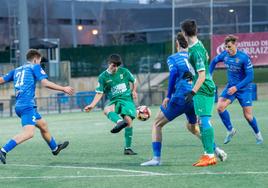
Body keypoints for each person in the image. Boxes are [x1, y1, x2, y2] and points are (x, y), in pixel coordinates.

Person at [140, 32, 227, 166]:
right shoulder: (194, 53)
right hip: (195, 95)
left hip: (181, 97)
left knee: (157, 124)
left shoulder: (173, 58)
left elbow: (174, 74)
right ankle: (215, 149)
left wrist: (168, 96)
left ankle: (156, 159)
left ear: (177, 44)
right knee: (192, 127)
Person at [0, 49, 74, 164]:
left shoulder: (17, 70)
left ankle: (55, 148)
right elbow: (45, 83)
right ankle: (3, 150)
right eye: (39, 61)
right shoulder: (35, 67)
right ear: (35, 59)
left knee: (43, 125)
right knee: (29, 133)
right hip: (27, 105)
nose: (40, 63)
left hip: (20, 105)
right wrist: (63, 88)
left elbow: (1, 80)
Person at [209, 35, 263, 144]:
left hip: (244, 88)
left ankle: (258, 135)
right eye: (226, 47)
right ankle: (230, 130)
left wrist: (237, 87)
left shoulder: (243, 57)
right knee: (220, 108)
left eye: (229, 47)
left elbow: (250, 77)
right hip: (231, 87)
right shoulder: (225, 55)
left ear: (235, 45)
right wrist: (209, 76)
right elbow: (213, 61)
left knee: (247, 116)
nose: (227, 49)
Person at [180, 19, 217, 167]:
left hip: (203, 88)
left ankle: (210, 155)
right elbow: (207, 59)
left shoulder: (195, 51)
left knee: (204, 121)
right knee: (202, 121)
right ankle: (208, 153)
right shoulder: (199, 44)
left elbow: (202, 75)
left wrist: (192, 92)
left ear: (184, 33)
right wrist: (193, 74)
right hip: (204, 85)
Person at [84, 54, 138, 155]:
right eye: (113, 65)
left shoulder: (124, 72)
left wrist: (134, 91)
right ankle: (119, 122)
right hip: (115, 100)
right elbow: (99, 93)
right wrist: (92, 105)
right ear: (109, 64)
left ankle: (128, 148)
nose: (115, 68)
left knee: (128, 121)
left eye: (117, 65)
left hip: (127, 100)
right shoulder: (103, 77)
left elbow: (134, 81)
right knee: (106, 109)